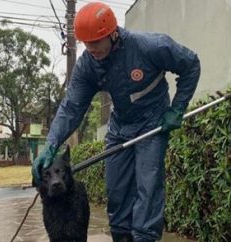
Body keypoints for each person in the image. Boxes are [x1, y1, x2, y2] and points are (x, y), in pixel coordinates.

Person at [32, 2, 200, 242]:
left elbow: (191, 64)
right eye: (86, 43)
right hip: (120, 127)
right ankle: (121, 236)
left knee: (148, 186)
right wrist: (51, 144)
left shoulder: (151, 46)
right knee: (116, 190)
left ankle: (144, 237)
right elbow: (71, 107)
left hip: (152, 123)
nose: (91, 48)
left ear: (112, 33)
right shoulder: (88, 65)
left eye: (96, 42)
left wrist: (178, 108)